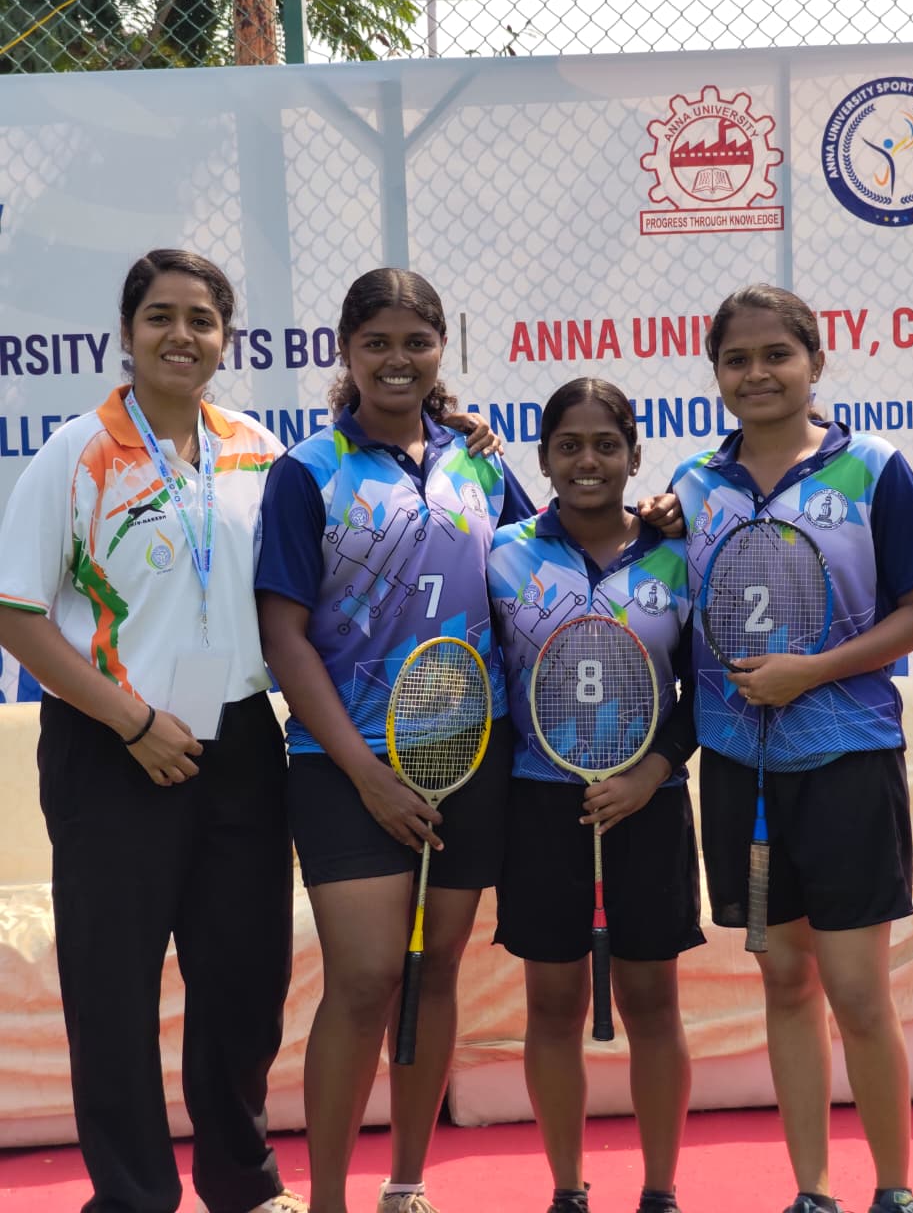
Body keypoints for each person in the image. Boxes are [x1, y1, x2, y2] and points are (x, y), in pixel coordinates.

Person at [0, 249, 304, 1213]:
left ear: (226, 337)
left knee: (245, 981)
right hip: (110, 747)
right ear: (125, 334)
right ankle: (131, 1197)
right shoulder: (75, 451)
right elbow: (14, 613)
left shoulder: (257, 448)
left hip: (241, 741)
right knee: (114, 990)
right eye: (160, 316)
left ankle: (241, 1184)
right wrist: (133, 722)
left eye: (202, 319)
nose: (182, 335)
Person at [254, 267, 535, 1213]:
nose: (397, 359)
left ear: (440, 350)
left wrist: (652, 523)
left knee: (437, 967)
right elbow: (283, 633)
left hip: (470, 747)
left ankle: (407, 1187)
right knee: (367, 978)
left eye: (416, 341)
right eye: (376, 341)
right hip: (345, 764)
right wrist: (365, 773)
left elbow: (544, 570)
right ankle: (327, 1199)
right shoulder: (309, 470)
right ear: (345, 350)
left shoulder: (480, 462)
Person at [669, 285, 913, 1213]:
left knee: (856, 991)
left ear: (814, 362)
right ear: (714, 374)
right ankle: (811, 1193)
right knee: (783, 981)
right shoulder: (691, 488)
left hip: (847, 762)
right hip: (736, 774)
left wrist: (813, 670)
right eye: (736, 360)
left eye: (775, 355)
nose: (756, 374)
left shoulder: (872, 468)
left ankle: (896, 1191)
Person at [486, 377, 704, 1213]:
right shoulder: (503, 553)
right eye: (568, 446)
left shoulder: (676, 555)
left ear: (633, 455)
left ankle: (659, 1192)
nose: (587, 461)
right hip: (540, 807)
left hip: (646, 804)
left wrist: (651, 771)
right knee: (551, 1001)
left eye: (605, 445)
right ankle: (567, 1191)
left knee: (652, 1000)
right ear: (542, 458)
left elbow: (704, 693)